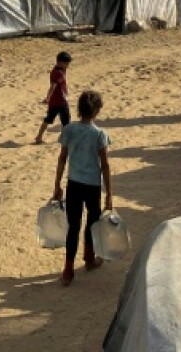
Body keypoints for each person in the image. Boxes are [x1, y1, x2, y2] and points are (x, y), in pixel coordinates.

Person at [52, 90, 113, 286]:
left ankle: (68, 269)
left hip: (73, 184)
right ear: (97, 111)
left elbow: (62, 158)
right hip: (93, 185)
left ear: (79, 109)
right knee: (91, 223)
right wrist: (109, 194)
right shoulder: (100, 134)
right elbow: (104, 165)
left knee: (73, 225)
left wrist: (57, 185)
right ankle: (89, 258)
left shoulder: (69, 130)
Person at [34, 51, 72, 144]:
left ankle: (39, 136)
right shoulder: (58, 72)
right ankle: (66, 138)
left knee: (48, 119)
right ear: (60, 62)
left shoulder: (57, 70)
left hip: (54, 101)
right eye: (66, 63)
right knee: (66, 121)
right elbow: (53, 86)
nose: (68, 65)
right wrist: (48, 97)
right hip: (60, 101)